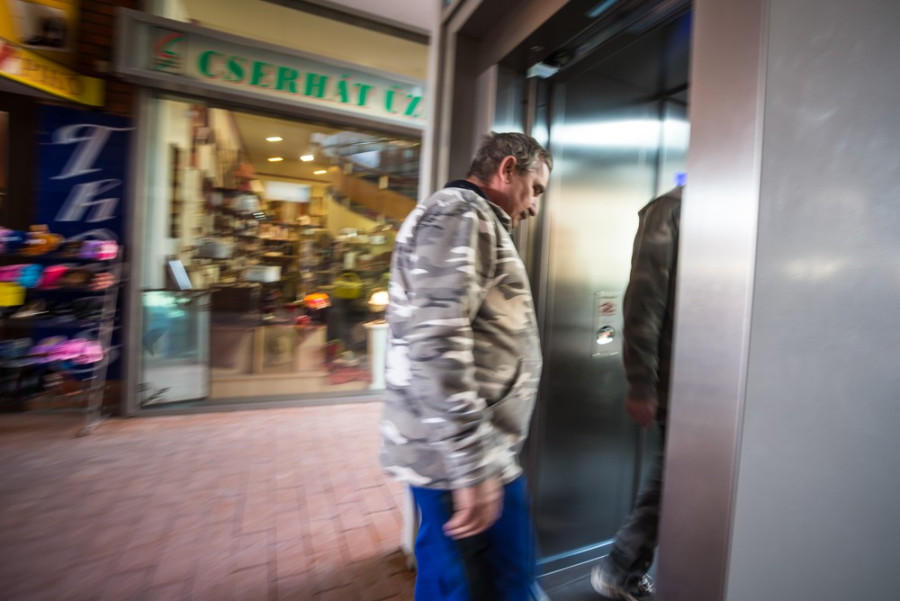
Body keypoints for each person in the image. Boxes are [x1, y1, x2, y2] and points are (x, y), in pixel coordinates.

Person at [380, 132, 552, 601]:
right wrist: (472, 465)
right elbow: (437, 342)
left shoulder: (468, 216)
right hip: (465, 456)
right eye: (535, 189)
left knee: (460, 583)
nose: (534, 206)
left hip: (460, 452)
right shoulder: (462, 213)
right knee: (491, 587)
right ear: (508, 169)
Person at [590, 185, 682, 600]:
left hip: (714, 380)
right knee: (672, 480)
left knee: (675, 479)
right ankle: (621, 568)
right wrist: (642, 381)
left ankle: (623, 567)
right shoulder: (671, 209)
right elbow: (645, 300)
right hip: (686, 383)